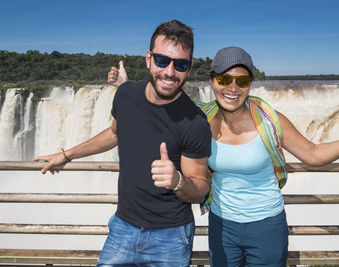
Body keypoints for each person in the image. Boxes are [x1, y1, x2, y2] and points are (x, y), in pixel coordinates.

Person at [108, 47, 339, 267]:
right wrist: (125, 87)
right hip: (221, 224)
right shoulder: (199, 118)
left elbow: (312, 154)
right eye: (224, 79)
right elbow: (162, 100)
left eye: (242, 81)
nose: (232, 88)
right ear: (212, 81)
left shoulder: (270, 119)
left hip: (266, 226)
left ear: (250, 83)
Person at [33, 19, 212, 267]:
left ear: (189, 68)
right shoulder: (126, 94)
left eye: (180, 64)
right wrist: (67, 155)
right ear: (148, 58)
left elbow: (201, 187)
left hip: (170, 237)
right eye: (162, 60)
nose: (170, 72)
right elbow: (115, 133)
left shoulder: (194, 121)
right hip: (122, 227)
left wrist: (177, 181)